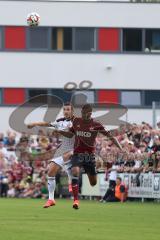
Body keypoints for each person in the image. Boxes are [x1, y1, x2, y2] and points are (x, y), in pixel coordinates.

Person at [56, 104, 124, 209]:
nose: (83, 115)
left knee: (93, 182)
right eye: (82, 113)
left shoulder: (96, 125)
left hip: (89, 156)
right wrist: (60, 132)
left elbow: (111, 136)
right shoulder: (76, 121)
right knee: (75, 171)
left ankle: (91, 175)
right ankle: (76, 200)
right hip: (77, 154)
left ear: (90, 114)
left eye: (86, 113)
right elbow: (70, 134)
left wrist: (121, 148)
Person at [27, 103, 75, 208]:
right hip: (63, 148)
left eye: (68, 109)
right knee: (50, 171)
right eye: (64, 109)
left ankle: (72, 180)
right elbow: (47, 124)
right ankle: (51, 199)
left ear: (72, 111)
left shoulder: (77, 122)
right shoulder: (60, 121)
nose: (66, 111)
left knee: (69, 156)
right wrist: (34, 123)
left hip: (75, 148)